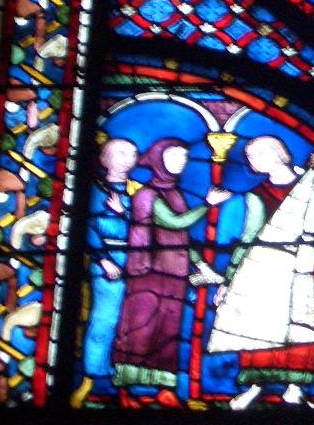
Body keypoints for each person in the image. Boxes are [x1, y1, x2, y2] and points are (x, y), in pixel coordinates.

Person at [209, 137, 314, 410]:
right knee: (258, 323)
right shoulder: (257, 195)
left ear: (279, 153)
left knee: (300, 321)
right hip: (264, 267)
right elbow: (249, 237)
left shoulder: (311, 181)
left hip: (305, 263)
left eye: (259, 154)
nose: (254, 161)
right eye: (251, 157)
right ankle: (255, 386)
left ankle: (295, 388)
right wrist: (229, 279)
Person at [112, 139, 230, 408]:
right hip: (149, 273)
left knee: (168, 333)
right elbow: (175, 222)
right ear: (157, 160)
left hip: (174, 273)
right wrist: (207, 204)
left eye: (184, 158)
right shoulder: (147, 194)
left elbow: (182, 237)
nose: (181, 162)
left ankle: (163, 389)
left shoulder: (175, 193)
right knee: (140, 330)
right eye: (174, 157)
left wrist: (201, 265)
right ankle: (126, 391)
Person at [74, 138, 138, 405]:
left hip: (135, 261)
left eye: (132, 154)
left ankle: (120, 373)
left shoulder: (137, 193)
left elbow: (145, 228)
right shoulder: (94, 191)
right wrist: (103, 260)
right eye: (120, 153)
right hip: (108, 260)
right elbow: (87, 228)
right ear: (104, 158)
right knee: (105, 319)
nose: (127, 158)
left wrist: (124, 213)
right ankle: (92, 375)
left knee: (131, 321)